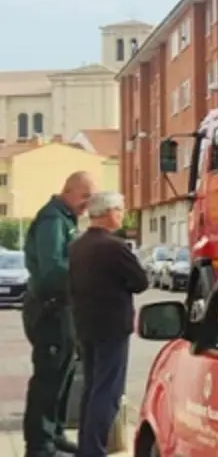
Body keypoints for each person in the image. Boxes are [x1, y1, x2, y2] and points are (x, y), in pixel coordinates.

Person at [68, 192, 149, 457]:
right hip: (112, 327)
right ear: (108, 212)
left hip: (85, 325)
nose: (123, 215)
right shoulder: (114, 247)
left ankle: (87, 446)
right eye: (120, 210)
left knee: (92, 389)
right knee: (108, 392)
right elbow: (140, 281)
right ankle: (94, 450)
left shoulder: (78, 246)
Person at [23, 172, 94, 457]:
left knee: (63, 375)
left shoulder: (65, 218)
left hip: (63, 308)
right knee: (48, 377)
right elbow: (52, 270)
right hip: (49, 308)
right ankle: (40, 444)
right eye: (84, 197)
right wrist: (86, 273)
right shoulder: (53, 219)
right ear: (67, 191)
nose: (86, 204)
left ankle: (55, 432)